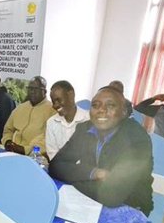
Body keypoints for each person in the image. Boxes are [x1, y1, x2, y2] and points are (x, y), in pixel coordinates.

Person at [51, 86, 154, 214]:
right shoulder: (84, 129)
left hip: (129, 207)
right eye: (95, 105)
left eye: (110, 105)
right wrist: (94, 173)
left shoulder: (137, 138)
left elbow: (112, 195)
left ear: (123, 112)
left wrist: (72, 177)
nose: (101, 110)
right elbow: (55, 166)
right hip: (87, 201)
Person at [2, 76, 56, 154]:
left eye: (36, 89)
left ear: (44, 91)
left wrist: (25, 149)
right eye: (30, 88)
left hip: (34, 156)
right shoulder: (20, 108)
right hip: (11, 152)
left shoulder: (52, 110)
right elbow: (7, 130)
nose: (32, 92)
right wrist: (7, 142)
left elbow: (49, 139)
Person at [44, 80, 88, 158]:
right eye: (53, 102)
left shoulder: (88, 120)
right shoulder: (51, 123)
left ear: (71, 95)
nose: (55, 105)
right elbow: (52, 154)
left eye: (58, 100)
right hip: (59, 168)